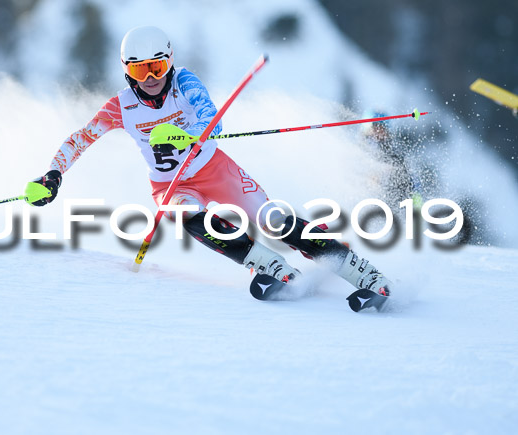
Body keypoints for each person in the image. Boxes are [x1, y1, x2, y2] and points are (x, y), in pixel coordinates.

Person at [26, 26, 394, 307]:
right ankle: (265, 263)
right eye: (141, 72)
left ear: (169, 61)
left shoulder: (184, 82)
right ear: (128, 73)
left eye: (157, 66)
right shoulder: (121, 106)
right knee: (185, 214)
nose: (151, 78)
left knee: (272, 220)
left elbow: (211, 121)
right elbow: (81, 138)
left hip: (215, 169)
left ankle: (358, 269)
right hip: (172, 187)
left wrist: (182, 134)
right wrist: (54, 174)